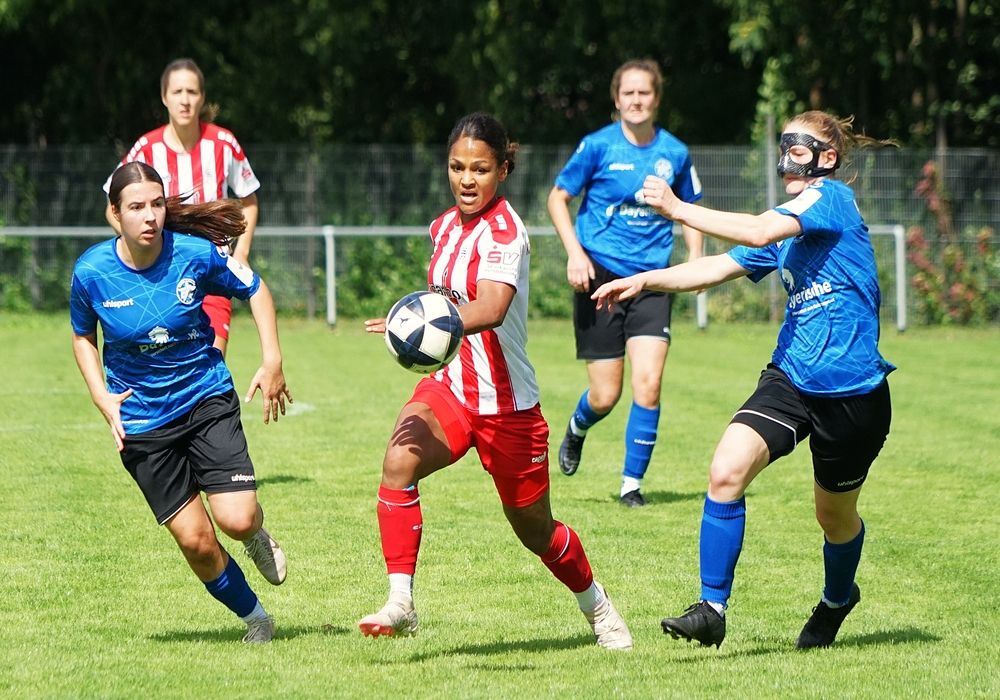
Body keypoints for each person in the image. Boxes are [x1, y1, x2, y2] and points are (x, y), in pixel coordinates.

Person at [592, 111, 895, 649]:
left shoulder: (831, 199)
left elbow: (757, 228)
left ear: (827, 159)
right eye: (784, 150)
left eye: (798, 151)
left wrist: (678, 208)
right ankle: (712, 608)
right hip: (791, 377)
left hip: (853, 393)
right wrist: (643, 280)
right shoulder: (789, 228)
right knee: (726, 471)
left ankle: (836, 600)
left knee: (834, 517)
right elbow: (713, 269)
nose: (786, 162)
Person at [358, 113, 632, 650]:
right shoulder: (442, 227)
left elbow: (491, 307)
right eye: (457, 167)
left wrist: (422, 324)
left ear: (503, 169)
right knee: (398, 462)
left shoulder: (507, 232)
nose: (466, 179)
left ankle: (596, 605)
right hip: (451, 388)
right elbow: (445, 297)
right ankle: (400, 602)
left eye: (480, 169)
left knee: (536, 530)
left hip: (508, 406)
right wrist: (406, 321)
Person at [72, 162, 292, 644]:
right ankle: (257, 619)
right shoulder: (91, 272)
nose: (150, 215)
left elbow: (255, 288)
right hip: (142, 421)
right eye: (136, 207)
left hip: (204, 398)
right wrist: (101, 396)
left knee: (235, 519)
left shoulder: (194, 253)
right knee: (196, 541)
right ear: (114, 215)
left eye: (157, 204)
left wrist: (272, 360)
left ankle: (255, 533)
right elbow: (83, 335)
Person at [547, 58, 704, 507]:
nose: (636, 100)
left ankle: (630, 486)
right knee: (605, 395)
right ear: (616, 100)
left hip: (652, 280)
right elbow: (557, 198)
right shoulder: (597, 146)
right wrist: (575, 253)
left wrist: (694, 259)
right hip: (599, 279)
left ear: (656, 98)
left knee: (648, 384)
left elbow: (690, 207)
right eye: (628, 93)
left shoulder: (675, 152)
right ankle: (577, 428)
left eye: (644, 92)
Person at [104, 58, 260, 358]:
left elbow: (249, 203)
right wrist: (141, 249)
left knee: (210, 363)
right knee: (165, 365)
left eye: (192, 92)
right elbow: (112, 207)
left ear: (202, 98)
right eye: (177, 92)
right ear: (164, 97)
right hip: (162, 275)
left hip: (212, 271)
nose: (185, 100)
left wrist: (241, 253)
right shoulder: (146, 149)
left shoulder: (223, 143)